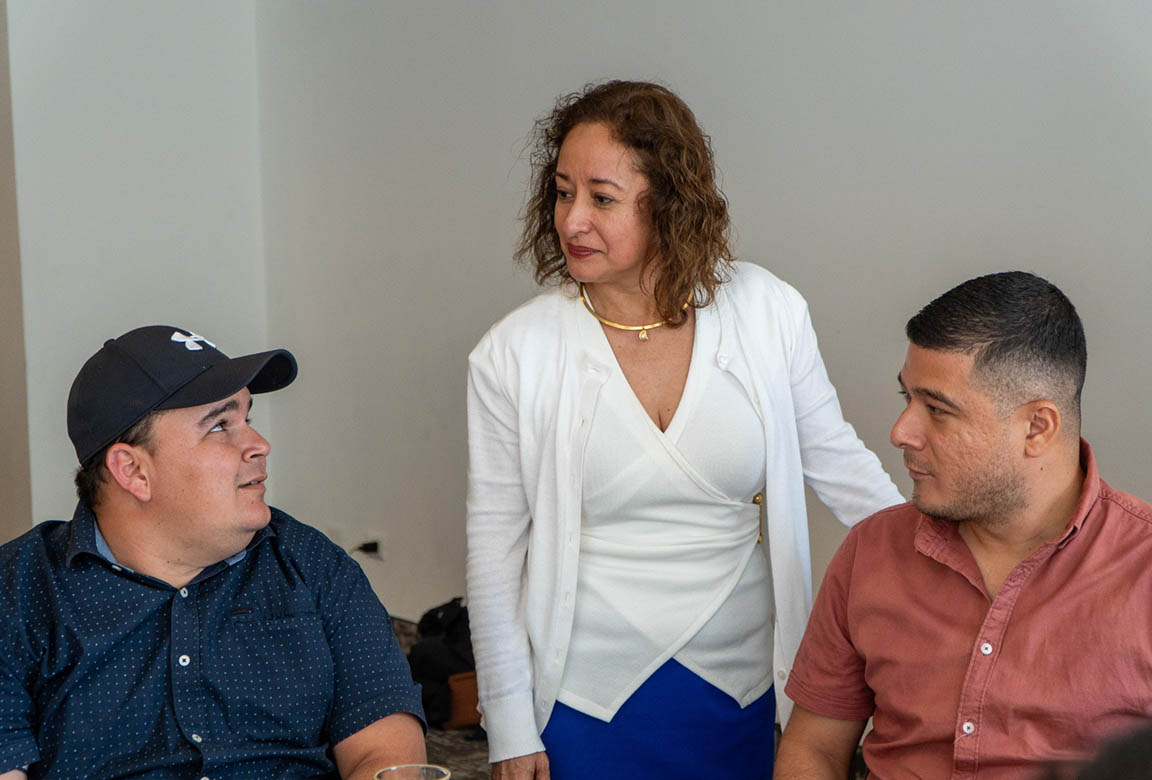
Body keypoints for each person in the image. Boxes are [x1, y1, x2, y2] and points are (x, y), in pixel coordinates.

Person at [465, 80, 902, 780]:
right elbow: (493, 553)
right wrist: (509, 725)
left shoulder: (768, 310)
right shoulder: (513, 352)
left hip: (742, 689)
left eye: (603, 198)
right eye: (563, 193)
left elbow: (840, 465)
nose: (573, 220)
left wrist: (947, 559)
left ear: (668, 202)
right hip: (582, 698)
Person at [0, 325, 426, 779]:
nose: (260, 446)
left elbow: (388, 754)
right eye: (220, 426)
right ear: (133, 471)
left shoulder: (312, 563)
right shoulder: (19, 590)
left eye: (247, 419)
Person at [775, 272, 1152, 779]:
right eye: (906, 399)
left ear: (1036, 427)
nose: (901, 432)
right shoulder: (872, 550)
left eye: (937, 409)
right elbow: (814, 748)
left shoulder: (1143, 569)